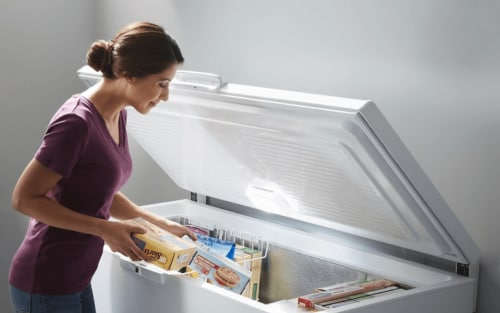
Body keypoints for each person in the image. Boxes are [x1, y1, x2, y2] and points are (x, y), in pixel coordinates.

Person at [8, 21, 196, 313]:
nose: (165, 96)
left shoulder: (116, 115)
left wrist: (160, 224)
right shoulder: (76, 123)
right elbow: (24, 199)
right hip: (46, 282)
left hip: (76, 278)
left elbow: (99, 191)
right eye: (162, 83)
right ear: (126, 74)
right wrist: (105, 229)